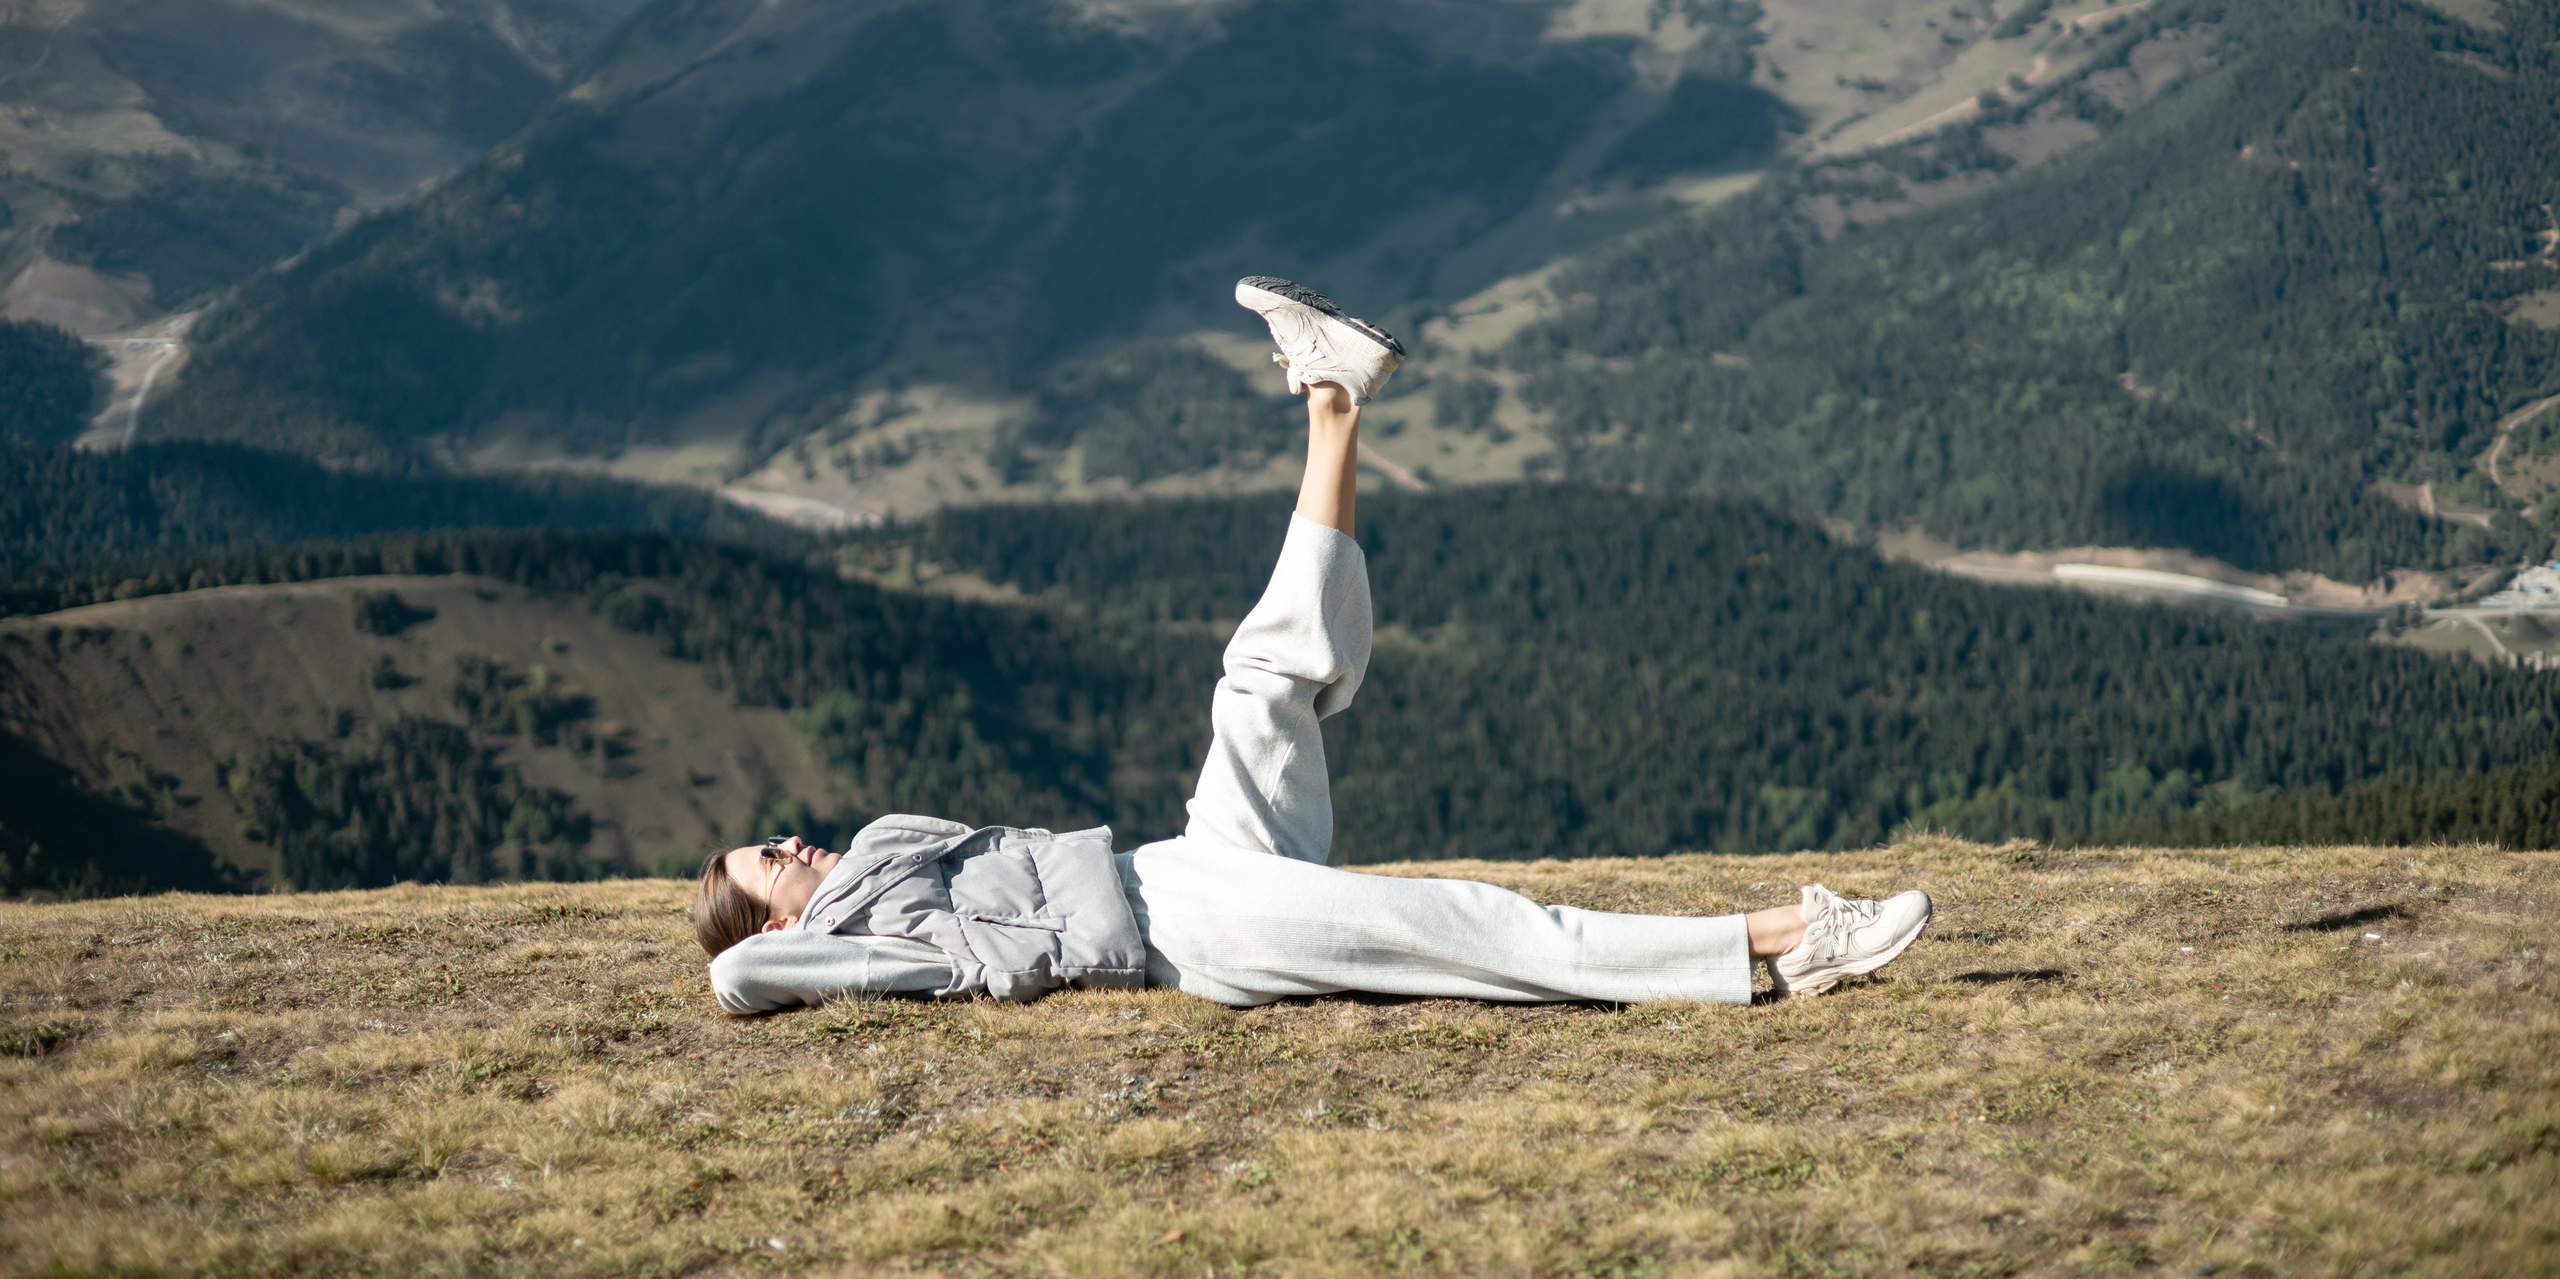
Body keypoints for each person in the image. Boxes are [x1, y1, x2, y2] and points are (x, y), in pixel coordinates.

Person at [695, 278, 1932, 1013]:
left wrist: (818, 875)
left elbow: (887, 855)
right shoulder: (841, 953)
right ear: (769, 926)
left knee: (1261, 681)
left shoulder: (877, 869)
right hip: (1194, 942)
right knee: (1469, 925)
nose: (788, 841)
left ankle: (1333, 400)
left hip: (1172, 870)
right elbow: (734, 986)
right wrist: (767, 942)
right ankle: (1786, 939)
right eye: (767, 861)